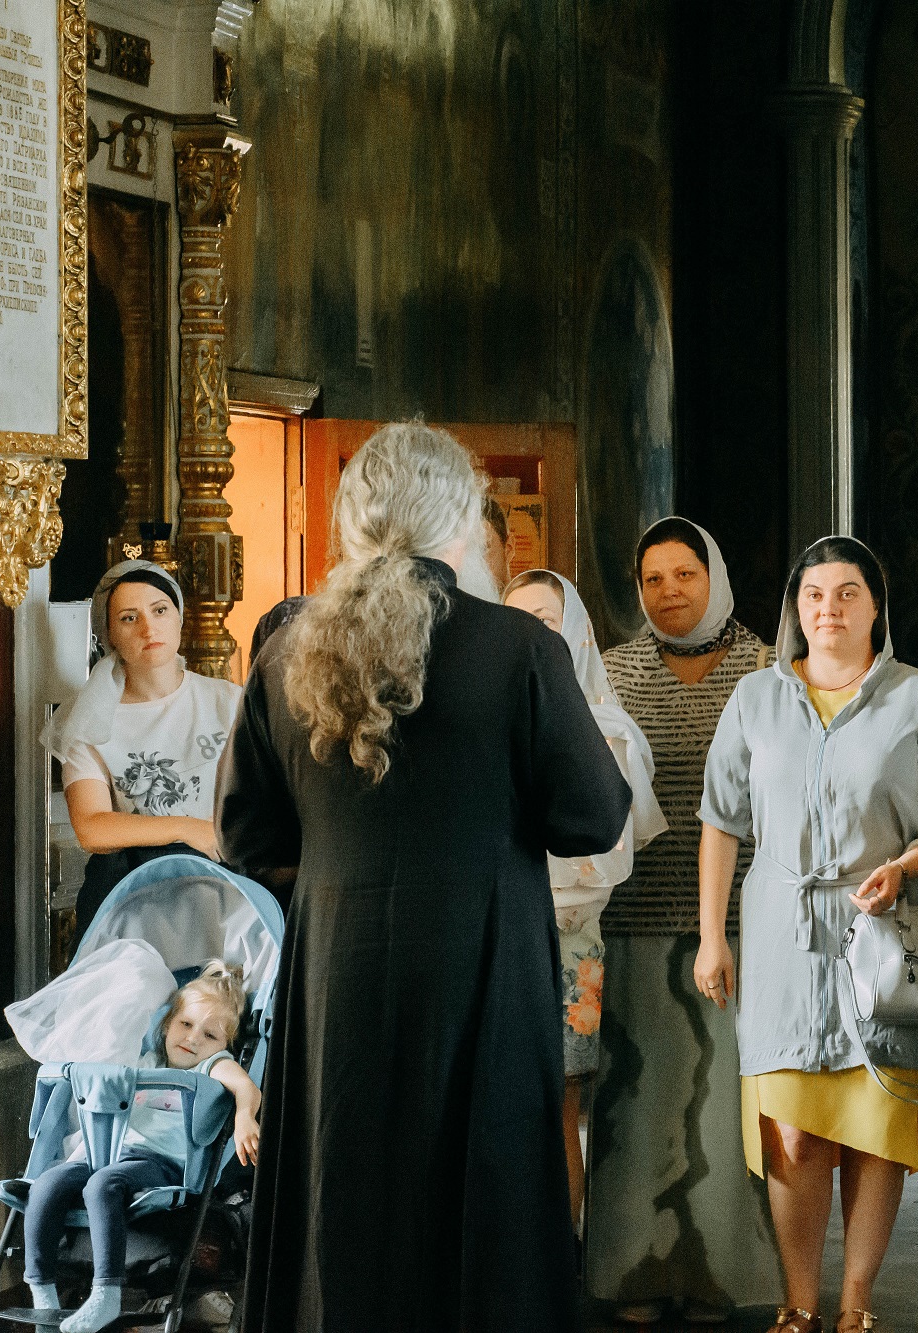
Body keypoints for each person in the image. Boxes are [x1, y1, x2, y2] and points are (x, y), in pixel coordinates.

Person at [216, 422, 631, 1333]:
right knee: (483, 1194)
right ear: (462, 524)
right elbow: (596, 815)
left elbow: (245, 836)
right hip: (483, 967)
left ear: (350, 523)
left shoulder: (287, 653)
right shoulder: (519, 649)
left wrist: (338, 863)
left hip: (337, 974)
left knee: (343, 1189)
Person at [696, 536, 918, 1333]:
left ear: (875, 606)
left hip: (885, 934)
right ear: (796, 607)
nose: (830, 609)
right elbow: (721, 821)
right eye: (815, 594)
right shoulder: (755, 698)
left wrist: (907, 862)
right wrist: (712, 935)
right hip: (780, 936)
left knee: (876, 1124)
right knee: (791, 1127)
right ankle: (798, 1302)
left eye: (848, 592)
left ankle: (856, 1303)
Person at [589, 517, 781, 1324]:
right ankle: (631, 1276)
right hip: (630, 919)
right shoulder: (610, 671)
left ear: (715, 576)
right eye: (653, 579)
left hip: (740, 928)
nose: (669, 591)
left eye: (685, 574)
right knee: (633, 1111)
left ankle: (720, 1279)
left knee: (726, 1114)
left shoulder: (767, 667)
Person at [502, 568, 667, 1234]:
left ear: (574, 630)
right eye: (516, 619)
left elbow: (604, 860)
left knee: (560, 1105)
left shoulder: (606, 729)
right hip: (494, 938)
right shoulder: (484, 717)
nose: (530, 632)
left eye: (545, 619)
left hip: (566, 941)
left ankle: (555, 1262)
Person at [23, 961, 261, 1333]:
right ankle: (43, 1293)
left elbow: (246, 1087)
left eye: (210, 1035)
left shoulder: (211, 1066)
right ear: (167, 1024)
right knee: (46, 1184)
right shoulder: (145, 1061)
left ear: (222, 1045)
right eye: (186, 1024)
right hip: (108, 1152)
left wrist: (245, 1116)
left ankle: (106, 1295)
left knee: (102, 1186)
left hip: (163, 1163)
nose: (194, 1039)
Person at [44, 560, 243, 931]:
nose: (149, 628)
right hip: (134, 897)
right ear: (109, 634)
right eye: (129, 618)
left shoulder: (231, 703)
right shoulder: (88, 720)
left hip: (229, 888)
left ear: (179, 617)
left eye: (160, 610)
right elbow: (91, 828)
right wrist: (188, 829)